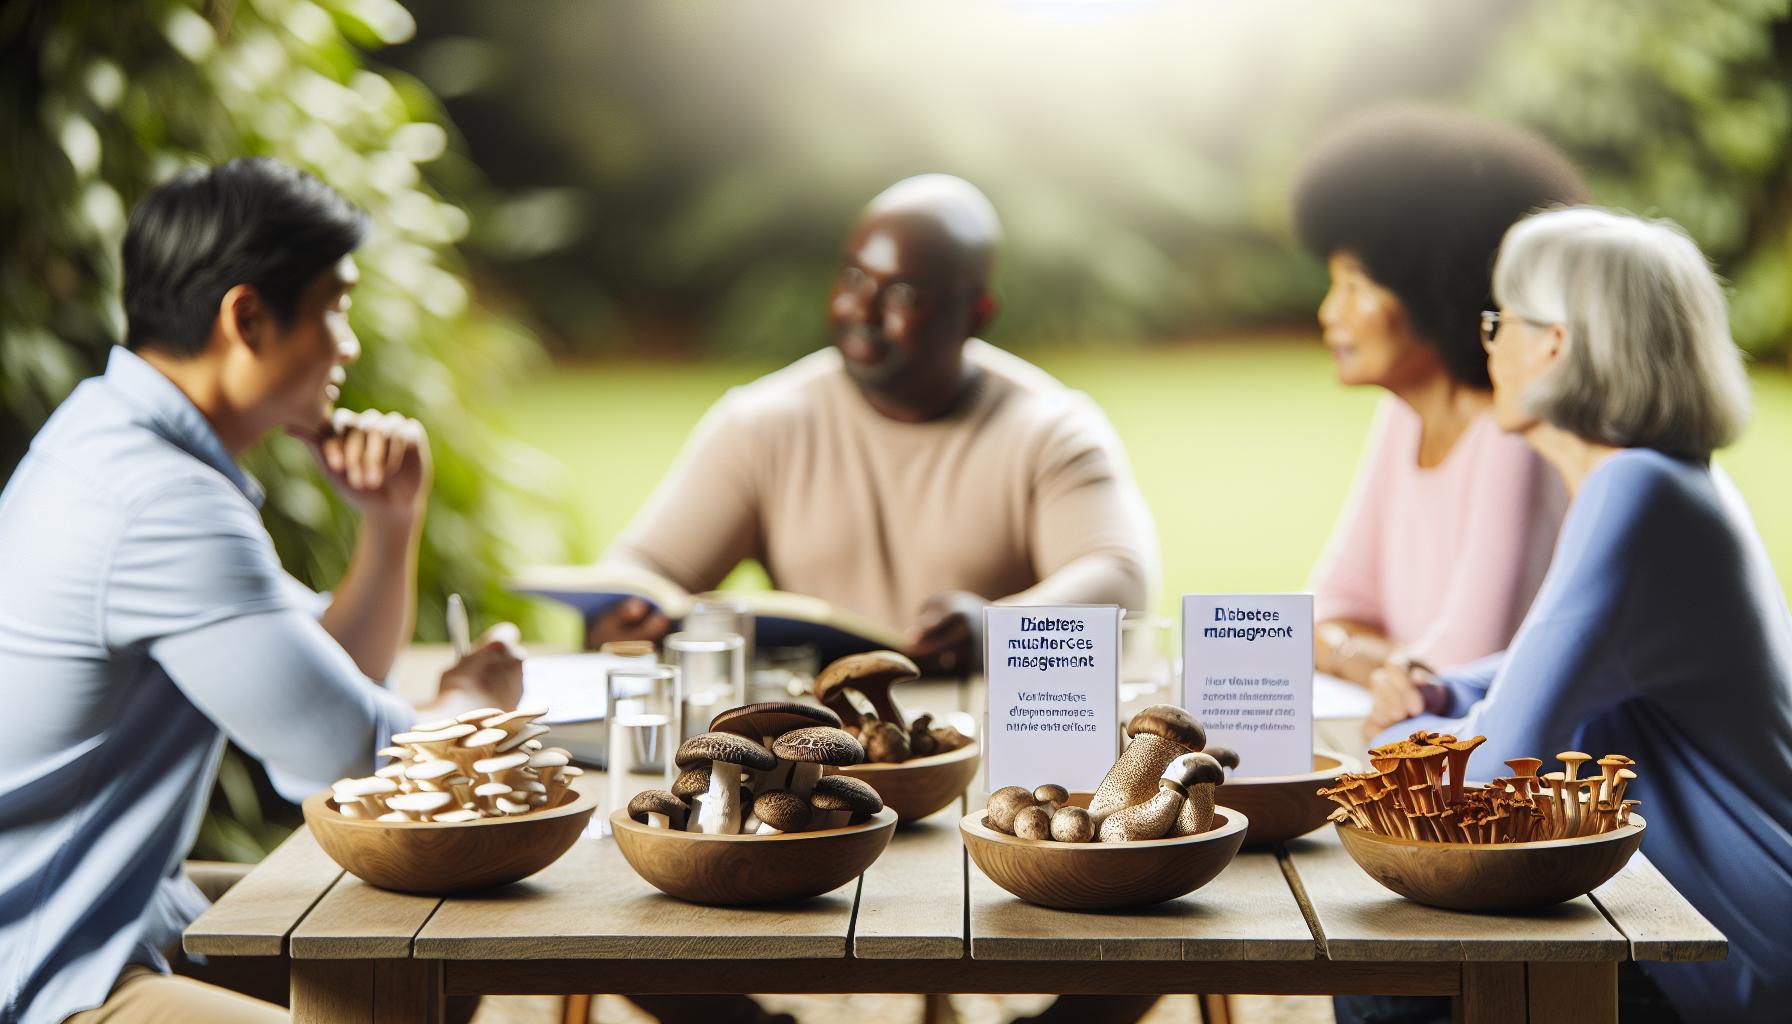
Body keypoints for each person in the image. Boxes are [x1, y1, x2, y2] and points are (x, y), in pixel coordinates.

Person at [0, 158, 523, 1024]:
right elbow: (353, 762)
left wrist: (391, 523)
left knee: (431, 948)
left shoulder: (110, 439)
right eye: (335, 307)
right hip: (46, 966)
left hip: (106, 911)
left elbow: (321, 678)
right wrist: (469, 701)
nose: (348, 345)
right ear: (247, 316)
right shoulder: (160, 502)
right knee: (417, 949)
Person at [1347, 207, 1792, 1024]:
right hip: (1702, 926)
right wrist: (1443, 690)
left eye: (1500, 320)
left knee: (1388, 983)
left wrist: (1370, 750)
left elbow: (1483, 780)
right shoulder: (1673, 480)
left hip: (1727, 953)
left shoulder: (1634, 493)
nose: (1486, 344)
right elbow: (1591, 668)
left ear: (1553, 342)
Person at [588, 174, 1157, 674]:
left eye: (903, 293)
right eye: (855, 277)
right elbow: (644, 570)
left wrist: (994, 632)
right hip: (819, 759)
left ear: (975, 314)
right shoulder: (762, 423)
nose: (862, 309)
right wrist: (621, 618)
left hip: (996, 765)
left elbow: (1119, 580)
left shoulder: (1048, 428)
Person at [1289, 107, 1585, 721]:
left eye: (1354, 285)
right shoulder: (1403, 417)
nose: (1328, 313)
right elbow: (1316, 614)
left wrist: (1358, 654)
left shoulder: (1516, 437)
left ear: (1433, 286)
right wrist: (1379, 662)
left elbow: (1461, 670)